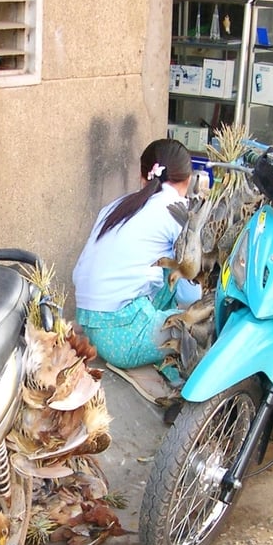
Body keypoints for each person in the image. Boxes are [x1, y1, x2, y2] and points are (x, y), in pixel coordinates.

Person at [72, 138, 202, 381]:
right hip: (124, 341)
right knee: (205, 326)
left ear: (143, 176)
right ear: (189, 179)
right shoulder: (178, 212)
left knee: (162, 263)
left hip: (88, 323)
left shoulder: (117, 206)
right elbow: (189, 296)